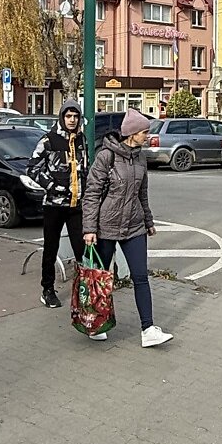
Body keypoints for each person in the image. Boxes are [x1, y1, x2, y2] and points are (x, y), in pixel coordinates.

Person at [82, 109, 172, 348]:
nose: (147, 136)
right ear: (132, 133)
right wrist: (89, 228)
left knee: (141, 276)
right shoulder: (106, 157)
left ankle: (148, 329)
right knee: (102, 279)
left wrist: (149, 221)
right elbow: (91, 193)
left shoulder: (140, 157)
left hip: (134, 226)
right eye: (144, 132)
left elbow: (142, 193)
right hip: (105, 226)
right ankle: (96, 324)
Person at [27, 100, 89, 308]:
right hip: (54, 204)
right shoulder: (49, 140)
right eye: (68, 116)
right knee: (51, 248)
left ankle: (83, 290)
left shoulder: (81, 140)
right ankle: (47, 289)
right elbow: (32, 168)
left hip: (76, 205)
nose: (72, 120)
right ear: (62, 118)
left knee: (81, 249)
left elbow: (85, 169)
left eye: (75, 116)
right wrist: (53, 186)